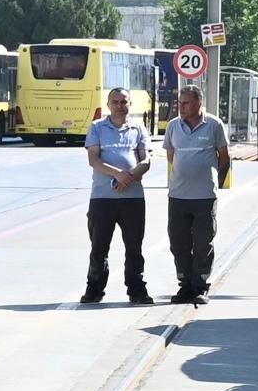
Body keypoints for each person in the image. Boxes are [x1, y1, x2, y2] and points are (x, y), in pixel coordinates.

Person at [80, 85, 154, 305]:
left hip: (133, 200)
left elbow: (146, 160)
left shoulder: (139, 129)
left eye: (124, 102)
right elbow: (93, 160)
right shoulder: (97, 127)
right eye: (116, 102)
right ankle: (94, 289)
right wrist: (118, 174)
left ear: (130, 104)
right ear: (108, 104)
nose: (120, 106)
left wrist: (129, 177)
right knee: (99, 247)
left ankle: (136, 289)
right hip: (102, 199)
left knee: (134, 247)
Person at [163, 80, 232, 302]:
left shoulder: (214, 125)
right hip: (178, 196)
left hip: (204, 197)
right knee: (179, 243)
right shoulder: (173, 126)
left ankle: (200, 285)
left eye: (186, 103)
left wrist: (209, 176)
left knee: (203, 242)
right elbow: (171, 155)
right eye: (179, 103)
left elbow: (224, 156)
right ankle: (184, 285)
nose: (181, 107)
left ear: (199, 103)